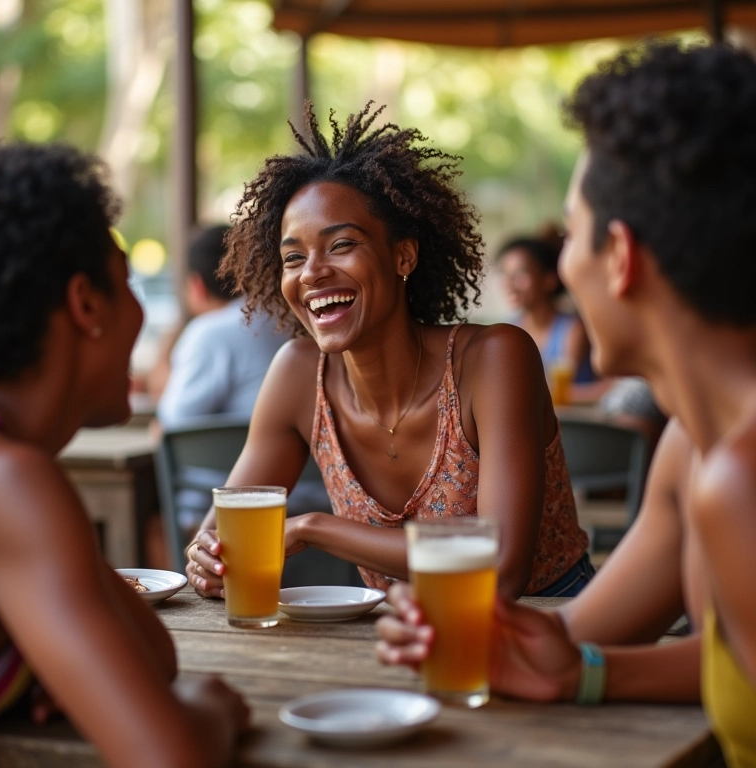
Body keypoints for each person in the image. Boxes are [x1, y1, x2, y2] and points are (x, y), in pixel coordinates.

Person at [376, 41, 756, 767]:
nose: (565, 265)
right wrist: (566, 667)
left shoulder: (741, 474)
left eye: (573, 234)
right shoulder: (691, 448)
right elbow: (601, 641)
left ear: (620, 258)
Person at [186, 103, 593, 601]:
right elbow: (223, 534)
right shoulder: (297, 375)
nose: (311, 272)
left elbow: (499, 569)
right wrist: (208, 558)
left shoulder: (494, 359)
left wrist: (314, 528)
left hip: (549, 626)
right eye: (294, 257)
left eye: (340, 245)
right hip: (397, 636)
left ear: (403, 255)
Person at [0, 141, 248, 767]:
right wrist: (214, 707)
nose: (141, 313)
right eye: (128, 283)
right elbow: (172, 755)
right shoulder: (10, 482)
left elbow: (154, 655)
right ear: (86, 304)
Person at [155, 224, 289, 429]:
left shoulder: (208, 332)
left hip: (234, 460)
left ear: (197, 286)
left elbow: (173, 423)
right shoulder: (283, 318)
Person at [493, 228, 606, 403]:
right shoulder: (510, 330)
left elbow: (559, 390)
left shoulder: (572, 329)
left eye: (520, 274)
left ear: (549, 280)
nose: (510, 285)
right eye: (506, 275)